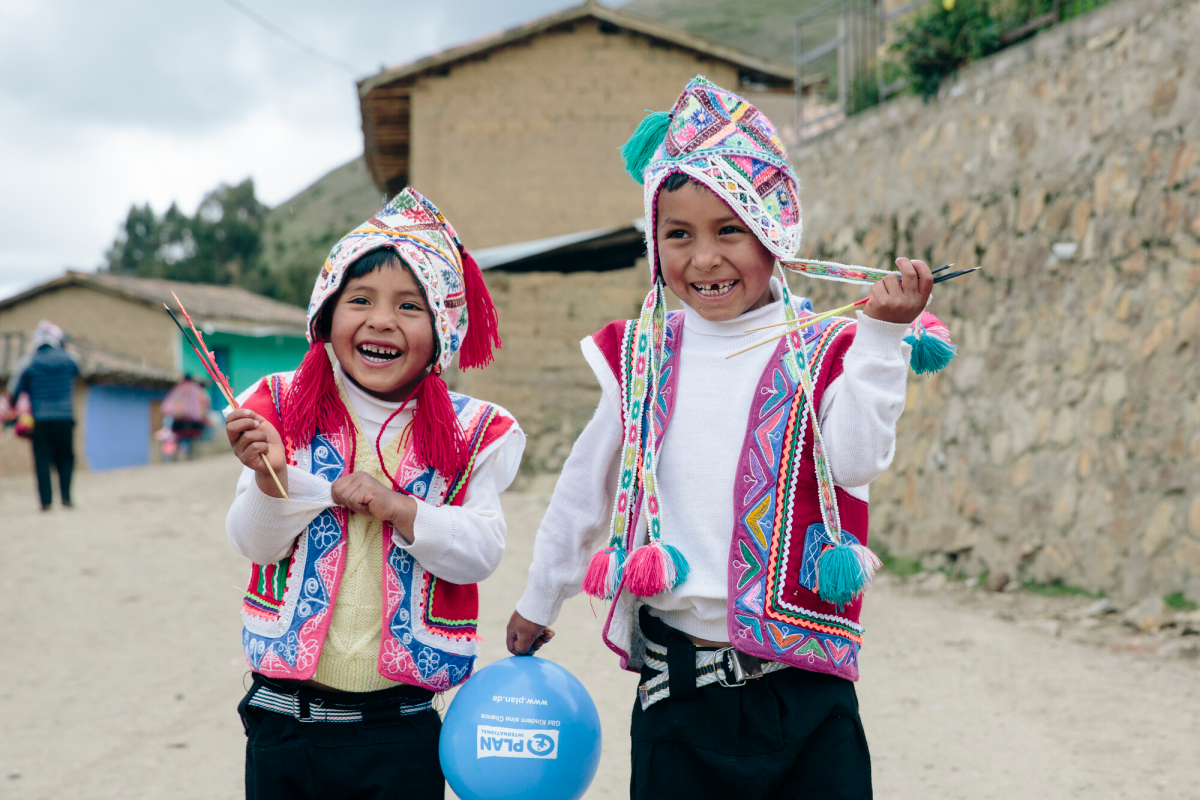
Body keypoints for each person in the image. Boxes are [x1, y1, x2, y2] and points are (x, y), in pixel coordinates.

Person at [507, 77, 944, 800]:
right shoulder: (638, 354)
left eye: (729, 230)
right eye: (678, 235)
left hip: (808, 699)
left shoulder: (830, 345)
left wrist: (880, 339)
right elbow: (584, 487)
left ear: (775, 231)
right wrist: (538, 598)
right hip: (680, 698)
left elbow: (856, 462)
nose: (703, 258)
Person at [224, 188, 523, 800]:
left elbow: (480, 553)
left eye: (410, 306)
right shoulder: (278, 408)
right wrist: (269, 478)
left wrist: (400, 508)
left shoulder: (473, 434)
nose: (381, 320)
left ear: (442, 328)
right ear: (326, 316)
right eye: (359, 299)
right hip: (283, 721)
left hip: (401, 730)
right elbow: (251, 540)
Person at [11, 320, 80, 511]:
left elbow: (15, 390)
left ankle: (46, 502)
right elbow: (78, 371)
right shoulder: (69, 358)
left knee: (42, 460)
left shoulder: (29, 361)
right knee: (65, 457)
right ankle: (66, 497)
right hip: (65, 417)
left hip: (40, 419)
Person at [160, 373, 211, 460]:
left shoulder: (177, 389)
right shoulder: (198, 390)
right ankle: (190, 456)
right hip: (195, 420)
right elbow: (205, 402)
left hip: (179, 420)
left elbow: (167, 405)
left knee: (180, 439)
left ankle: (181, 455)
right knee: (192, 439)